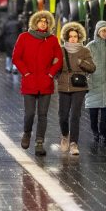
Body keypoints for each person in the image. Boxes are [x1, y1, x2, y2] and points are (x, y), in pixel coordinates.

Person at [12, 10, 62, 157]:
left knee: (43, 115)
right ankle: (27, 133)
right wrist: (26, 72)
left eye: (46, 22)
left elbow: (58, 59)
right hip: (30, 82)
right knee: (29, 113)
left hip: (45, 83)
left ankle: (39, 142)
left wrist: (50, 74)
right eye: (41, 21)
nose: (43, 24)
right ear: (35, 22)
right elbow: (17, 57)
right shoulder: (24, 37)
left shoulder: (52, 40)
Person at [57, 22, 95, 156]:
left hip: (79, 87)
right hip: (63, 86)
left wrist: (80, 62)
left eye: (75, 36)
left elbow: (92, 68)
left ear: (79, 37)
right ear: (66, 37)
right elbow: (54, 66)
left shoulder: (85, 51)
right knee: (63, 116)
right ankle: (64, 135)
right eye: (70, 36)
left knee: (75, 115)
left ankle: (73, 143)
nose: (73, 39)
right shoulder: (61, 50)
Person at [85, 21, 106, 143]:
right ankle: (95, 132)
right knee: (93, 114)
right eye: (103, 31)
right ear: (98, 32)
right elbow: (85, 62)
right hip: (93, 83)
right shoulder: (90, 46)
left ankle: (103, 134)